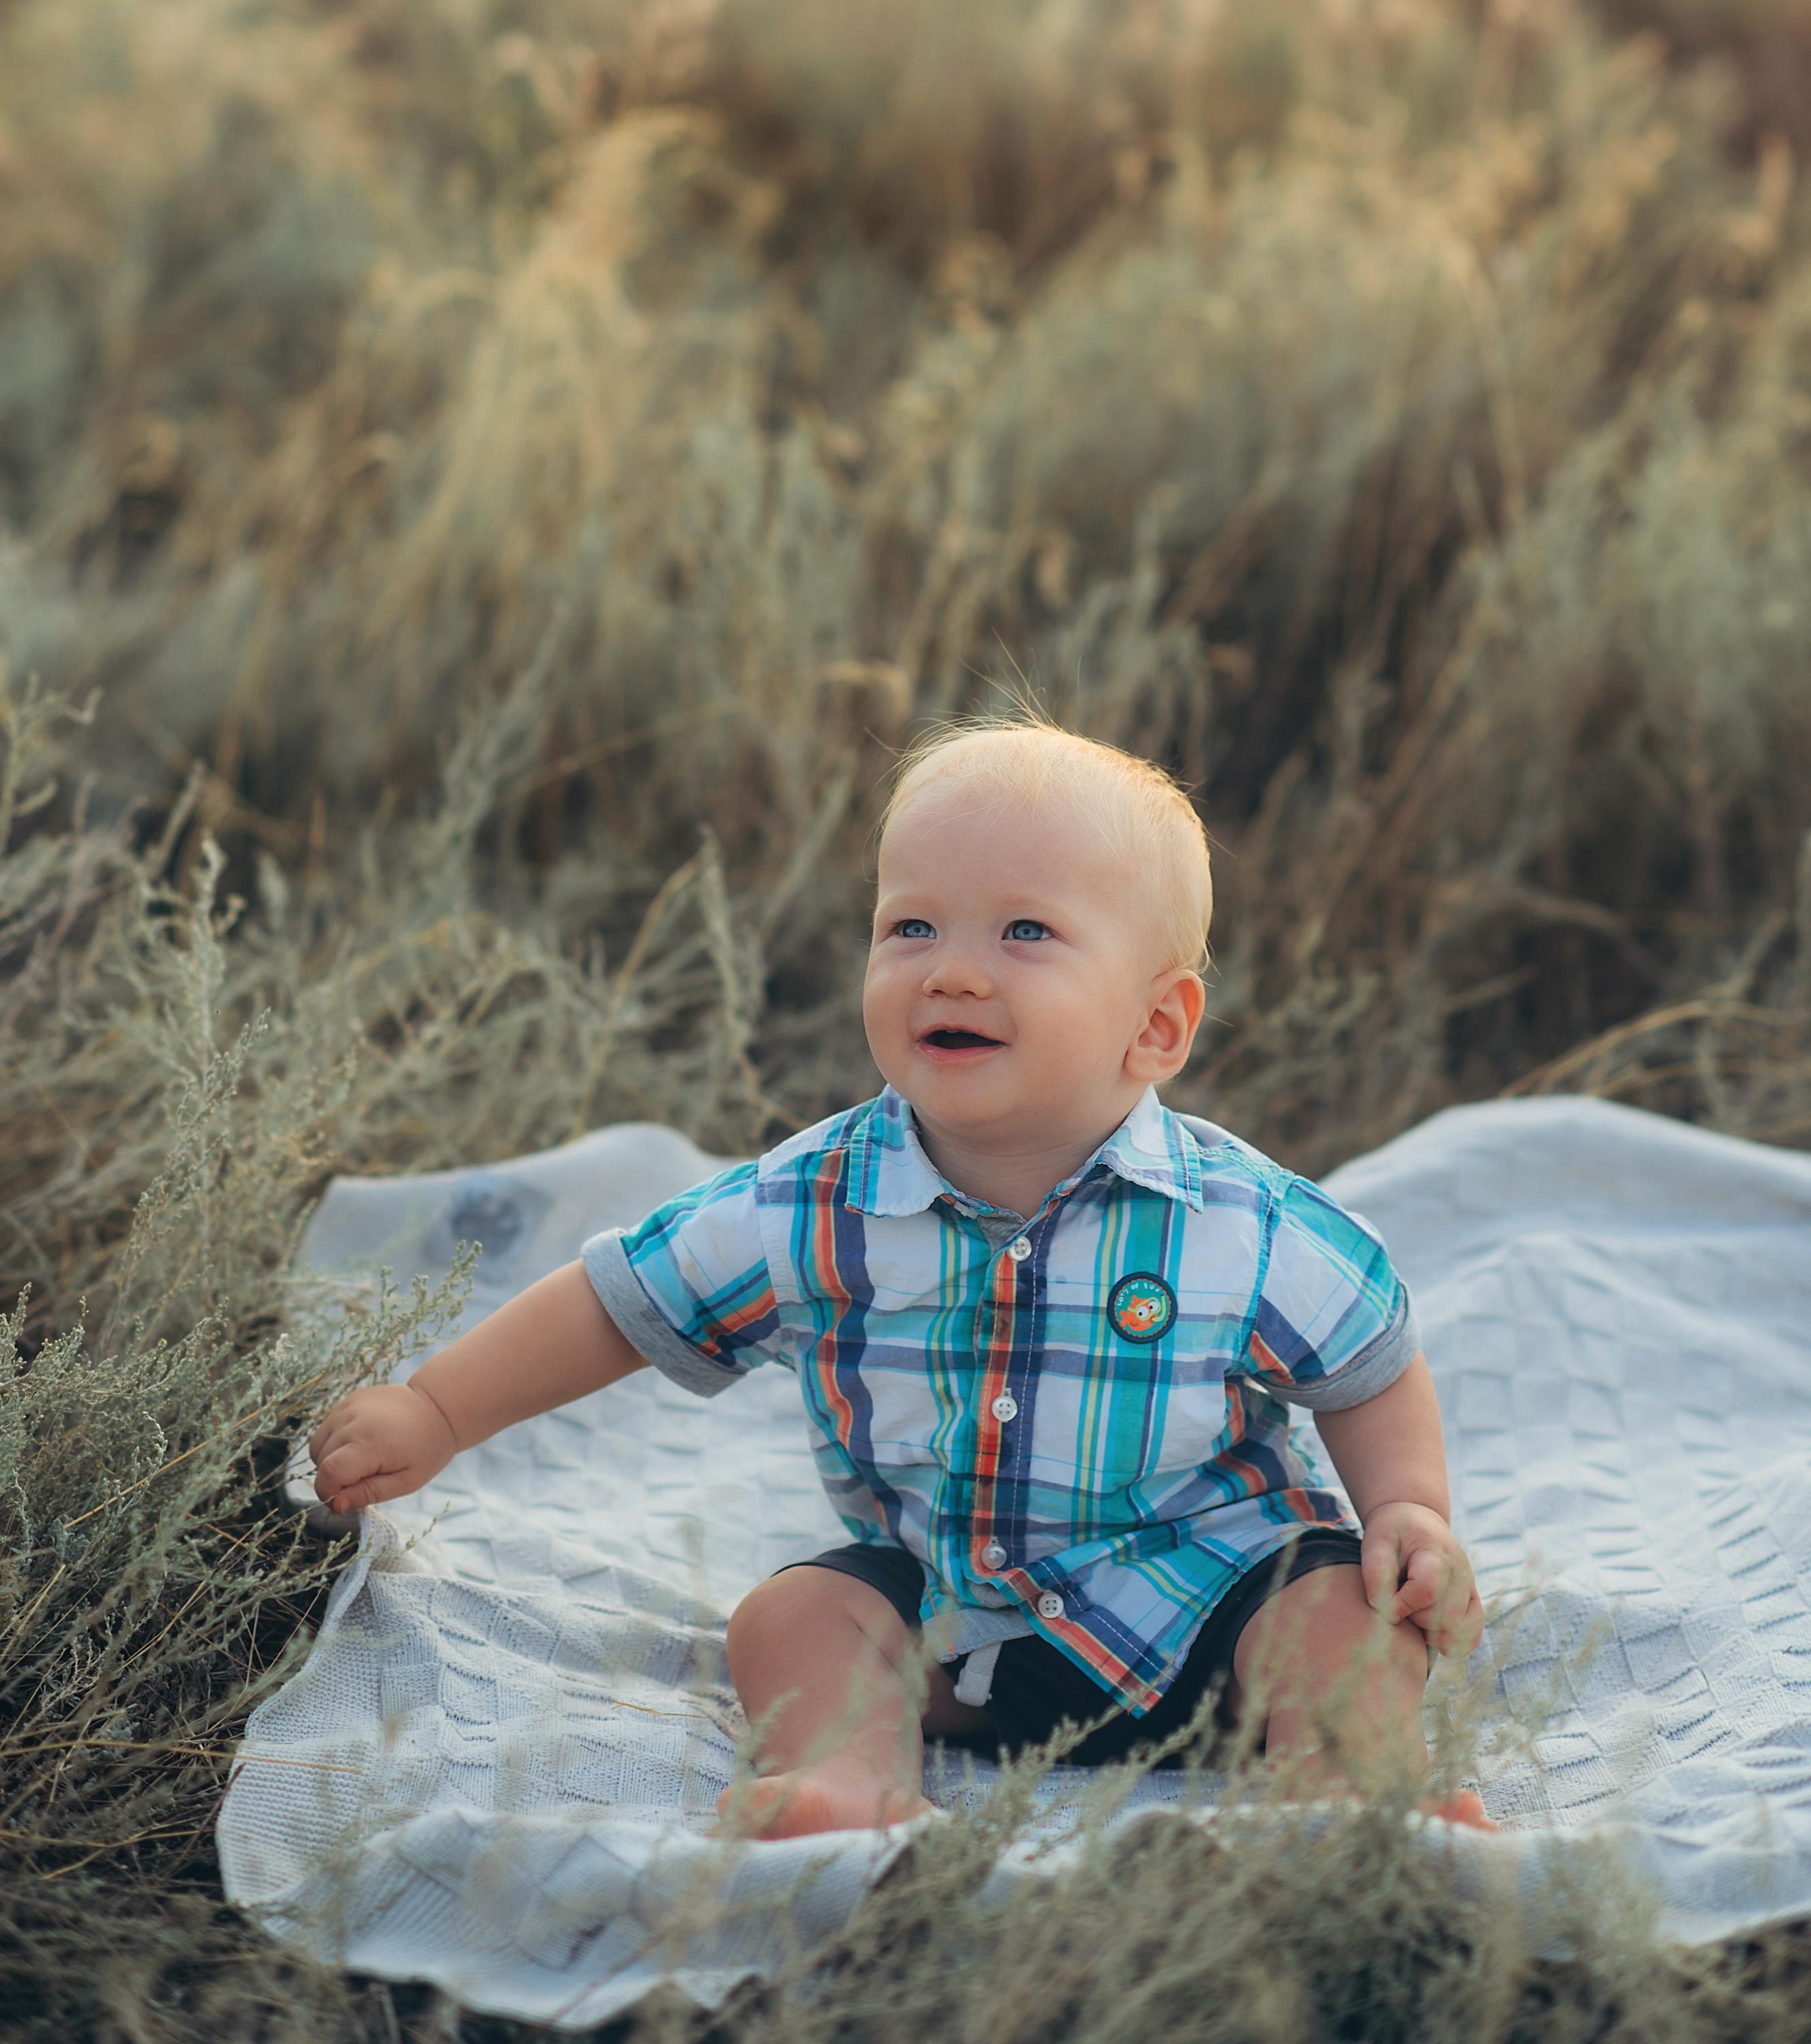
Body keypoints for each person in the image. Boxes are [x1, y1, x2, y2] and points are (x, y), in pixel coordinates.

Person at [309, 721, 1489, 1839]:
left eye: (1025, 933)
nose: (954, 974)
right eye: (912, 928)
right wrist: (440, 1409)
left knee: (1344, 1614)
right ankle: (849, 1778)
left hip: (1217, 1625)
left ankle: (1346, 1794)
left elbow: (1370, 1362)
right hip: (955, 1641)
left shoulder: (1240, 1223)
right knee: (797, 1618)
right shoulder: (812, 1202)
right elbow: (621, 1302)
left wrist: (1408, 1512)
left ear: (1157, 1025)